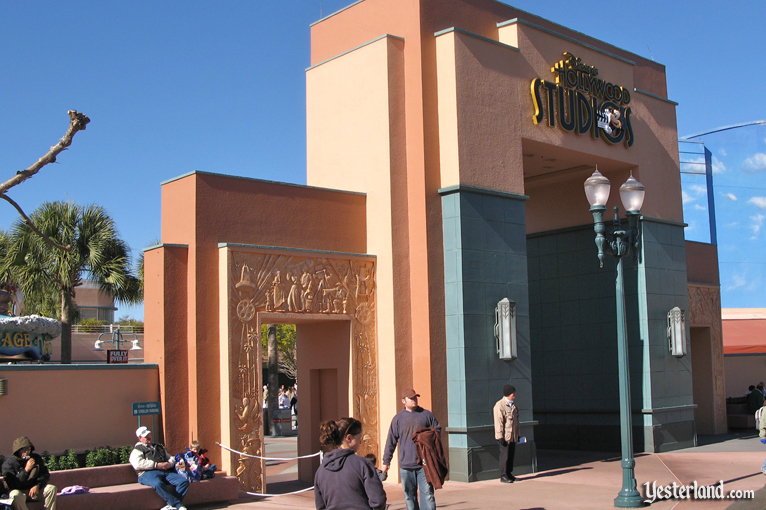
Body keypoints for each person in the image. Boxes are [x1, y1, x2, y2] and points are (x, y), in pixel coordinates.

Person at [382, 388, 440, 510]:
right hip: (406, 466)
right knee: (409, 497)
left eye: (415, 397)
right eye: (411, 398)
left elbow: (437, 431)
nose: (414, 400)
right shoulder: (398, 419)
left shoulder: (427, 415)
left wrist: (426, 436)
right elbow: (390, 441)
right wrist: (386, 463)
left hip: (424, 465)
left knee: (428, 496)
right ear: (403, 401)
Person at [314, 417, 386, 510]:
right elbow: (378, 500)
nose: (360, 442)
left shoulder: (321, 471)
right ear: (349, 438)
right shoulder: (362, 465)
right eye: (359, 438)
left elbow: (320, 506)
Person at [129, 426, 189, 510]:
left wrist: (169, 464)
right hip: (147, 473)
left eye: (149, 435)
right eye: (146, 436)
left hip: (165, 471)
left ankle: (171, 505)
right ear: (139, 438)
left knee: (183, 481)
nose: (149, 438)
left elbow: (170, 457)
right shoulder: (137, 450)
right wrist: (156, 465)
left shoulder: (158, 447)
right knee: (157, 483)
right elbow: (137, 464)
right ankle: (178, 505)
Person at [1, 436, 56, 510]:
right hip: (20, 492)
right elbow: (13, 484)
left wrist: (38, 485)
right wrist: (26, 470)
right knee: (15, 495)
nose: (27, 452)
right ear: (18, 450)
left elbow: (45, 474)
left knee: (51, 488)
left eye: (29, 449)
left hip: (34, 491)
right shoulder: (9, 464)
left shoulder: (36, 458)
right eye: (24, 449)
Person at [493, 384, 520, 483]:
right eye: (513, 394)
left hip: (513, 436)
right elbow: (498, 422)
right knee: (505, 456)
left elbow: (516, 422)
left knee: (511, 455)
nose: (515, 395)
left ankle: (509, 473)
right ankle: (503, 475)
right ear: (508, 394)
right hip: (505, 437)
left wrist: (518, 434)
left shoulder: (513, 406)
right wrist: (500, 436)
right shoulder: (500, 405)